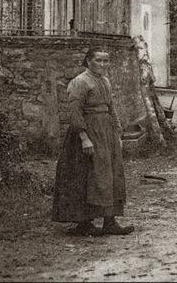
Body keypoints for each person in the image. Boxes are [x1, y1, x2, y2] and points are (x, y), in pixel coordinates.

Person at [52, 48, 134, 236]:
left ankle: (109, 222)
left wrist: (117, 131)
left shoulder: (105, 81)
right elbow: (73, 112)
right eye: (99, 61)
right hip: (87, 133)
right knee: (86, 175)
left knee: (109, 174)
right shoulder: (80, 82)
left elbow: (111, 108)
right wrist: (84, 137)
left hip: (106, 134)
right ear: (88, 61)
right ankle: (84, 223)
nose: (103, 65)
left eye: (106, 61)